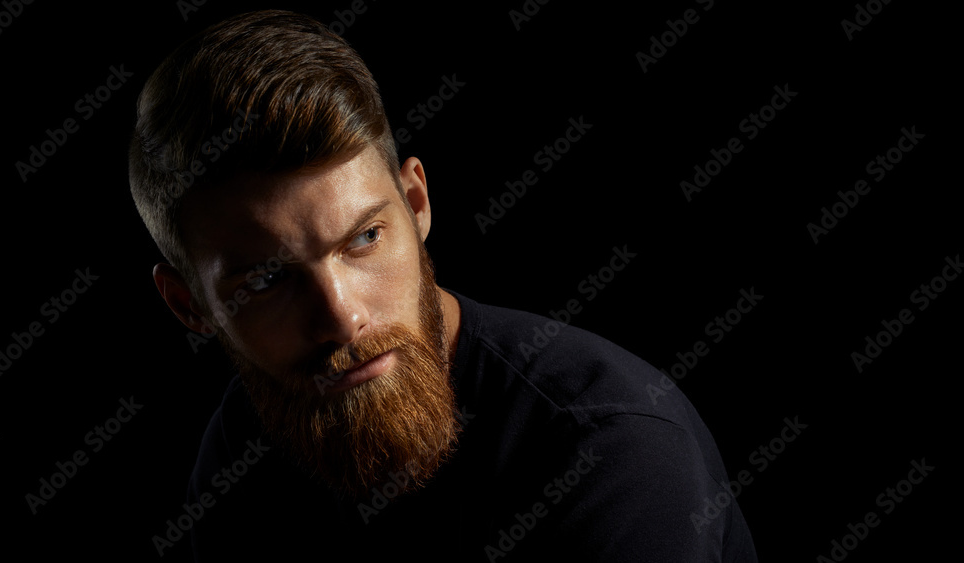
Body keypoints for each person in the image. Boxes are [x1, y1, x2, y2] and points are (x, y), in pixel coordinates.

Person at [128, 9, 758, 562]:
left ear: (417, 203)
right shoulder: (241, 449)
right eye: (266, 278)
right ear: (189, 305)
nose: (343, 319)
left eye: (365, 238)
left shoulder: (609, 447)